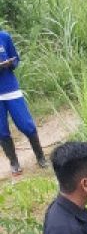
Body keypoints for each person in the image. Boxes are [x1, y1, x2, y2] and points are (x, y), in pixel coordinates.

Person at [0, 29, 45, 176]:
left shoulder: (4, 37)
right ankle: (14, 162)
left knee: (26, 124)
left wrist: (10, 64)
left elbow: (16, 58)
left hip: (11, 88)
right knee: (1, 129)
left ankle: (40, 157)